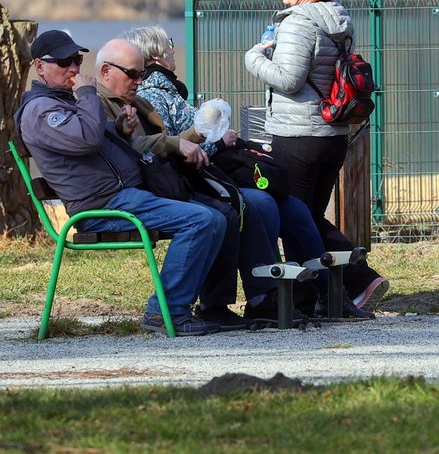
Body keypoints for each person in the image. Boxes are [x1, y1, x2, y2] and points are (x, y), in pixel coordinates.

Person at [123, 24, 373, 319]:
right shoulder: (152, 97)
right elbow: (175, 151)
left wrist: (216, 135)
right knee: (261, 204)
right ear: (155, 56)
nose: (173, 50)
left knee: (294, 208)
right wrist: (216, 138)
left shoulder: (171, 92)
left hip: (213, 175)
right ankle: (262, 298)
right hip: (195, 182)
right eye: (168, 45)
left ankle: (327, 293)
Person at [14, 30, 226, 336]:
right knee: (201, 221)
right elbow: (85, 139)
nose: (73, 68)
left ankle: (193, 307)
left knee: (217, 217)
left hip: (124, 197)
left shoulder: (61, 102)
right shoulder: (40, 110)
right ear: (39, 66)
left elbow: (95, 141)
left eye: (76, 59)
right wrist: (88, 94)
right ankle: (165, 312)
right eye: (64, 61)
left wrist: (121, 130)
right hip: (103, 207)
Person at [94, 37, 298, 329]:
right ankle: (171, 309)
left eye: (141, 74)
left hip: (161, 182)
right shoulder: (97, 105)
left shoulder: (135, 102)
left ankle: (230, 303)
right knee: (215, 214)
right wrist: (179, 142)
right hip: (139, 191)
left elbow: (156, 144)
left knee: (232, 208)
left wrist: (200, 133)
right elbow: (132, 147)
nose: (139, 81)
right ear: (105, 72)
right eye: (133, 74)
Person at [244, 0, 389, 312]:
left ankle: (351, 282)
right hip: (332, 136)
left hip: (298, 136)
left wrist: (254, 58)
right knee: (307, 216)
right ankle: (325, 295)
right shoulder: (338, 20)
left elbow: (290, 80)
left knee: (297, 219)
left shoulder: (297, 23)